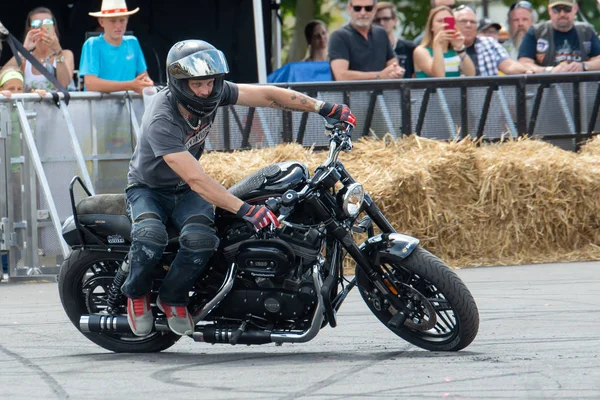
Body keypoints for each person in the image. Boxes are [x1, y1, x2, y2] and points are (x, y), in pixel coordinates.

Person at [122, 39, 356, 337]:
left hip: (184, 189)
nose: (206, 91)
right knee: (150, 237)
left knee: (202, 240)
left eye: (210, 83)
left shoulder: (215, 92)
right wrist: (246, 210)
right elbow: (197, 179)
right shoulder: (162, 117)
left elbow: (268, 96)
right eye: (198, 85)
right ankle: (136, 294)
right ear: (179, 83)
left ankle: (171, 298)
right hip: (149, 189)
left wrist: (322, 107)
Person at [79, 0, 153, 94]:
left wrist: (147, 84)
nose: (118, 26)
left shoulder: (133, 42)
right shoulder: (92, 44)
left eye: (122, 20)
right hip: (99, 107)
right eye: (112, 21)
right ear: (101, 22)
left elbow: (144, 77)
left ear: (127, 20)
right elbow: (91, 84)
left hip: (130, 106)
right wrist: (131, 85)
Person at [0, 7, 75, 92]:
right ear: (30, 29)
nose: (42, 27)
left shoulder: (65, 54)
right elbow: (3, 77)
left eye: (47, 23)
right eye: (36, 24)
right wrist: (24, 50)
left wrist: (57, 50)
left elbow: (64, 84)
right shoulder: (25, 58)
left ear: (54, 28)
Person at [328, 0, 404, 80]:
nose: (363, 13)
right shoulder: (339, 36)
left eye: (368, 8)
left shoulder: (381, 33)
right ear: (349, 9)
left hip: (381, 91)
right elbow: (341, 76)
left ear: (375, 9)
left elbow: (393, 66)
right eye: (357, 8)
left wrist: (396, 71)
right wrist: (378, 75)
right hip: (352, 92)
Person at [518, 0, 600, 72]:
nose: (562, 14)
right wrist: (549, 71)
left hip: (581, 88)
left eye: (567, 9)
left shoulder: (586, 31)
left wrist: (583, 66)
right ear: (549, 10)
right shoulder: (536, 32)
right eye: (556, 9)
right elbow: (524, 63)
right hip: (546, 87)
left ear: (575, 9)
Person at [455, 5, 535, 76]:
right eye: (463, 21)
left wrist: (526, 70)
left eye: (473, 22)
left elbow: (508, 65)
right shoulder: (445, 45)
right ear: (454, 24)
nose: (468, 25)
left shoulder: (489, 43)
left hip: (488, 92)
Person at [413, 6, 475, 78]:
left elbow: (471, 74)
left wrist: (460, 49)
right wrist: (438, 45)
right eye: (440, 21)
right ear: (431, 27)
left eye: (448, 21)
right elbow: (439, 76)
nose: (444, 25)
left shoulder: (454, 51)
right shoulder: (421, 51)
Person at [374, 1, 415, 78]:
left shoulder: (409, 47)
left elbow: (415, 76)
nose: (381, 23)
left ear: (395, 20)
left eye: (386, 19)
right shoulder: (369, 48)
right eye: (377, 20)